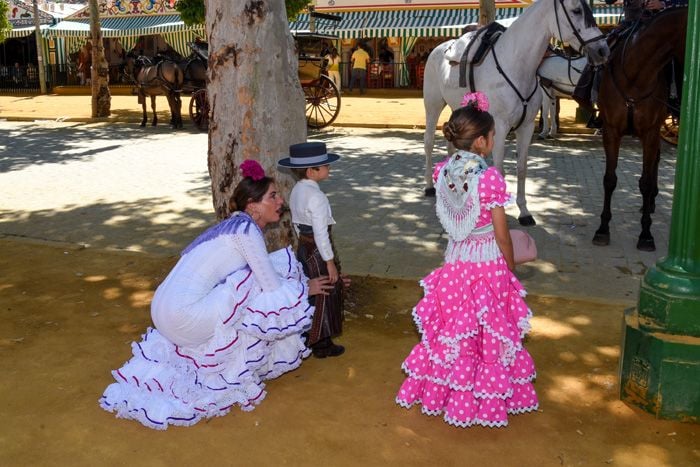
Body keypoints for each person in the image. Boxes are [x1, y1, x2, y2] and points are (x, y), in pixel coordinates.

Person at [100, 160, 334, 430]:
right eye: (273, 196)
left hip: (162, 313)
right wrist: (307, 288)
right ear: (252, 205)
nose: (281, 200)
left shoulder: (232, 226)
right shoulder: (246, 231)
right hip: (183, 319)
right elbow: (270, 285)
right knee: (253, 281)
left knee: (254, 278)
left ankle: (221, 365)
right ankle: (235, 373)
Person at [395, 92, 538, 428]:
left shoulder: (444, 171)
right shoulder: (488, 178)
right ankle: (483, 398)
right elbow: (502, 233)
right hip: (487, 262)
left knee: (455, 329)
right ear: (482, 142)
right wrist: (510, 265)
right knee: (488, 330)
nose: (493, 141)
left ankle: (447, 393)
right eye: (492, 136)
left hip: (457, 261)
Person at [279, 142, 348, 358]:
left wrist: (303, 246)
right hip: (318, 251)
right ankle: (321, 342)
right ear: (311, 171)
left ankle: (312, 336)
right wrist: (329, 261)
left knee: (313, 292)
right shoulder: (317, 197)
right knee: (325, 292)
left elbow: (298, 225)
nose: (329, 168)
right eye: (325, 165)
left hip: (305, 248)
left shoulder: (297, 190)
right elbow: (321, 233)